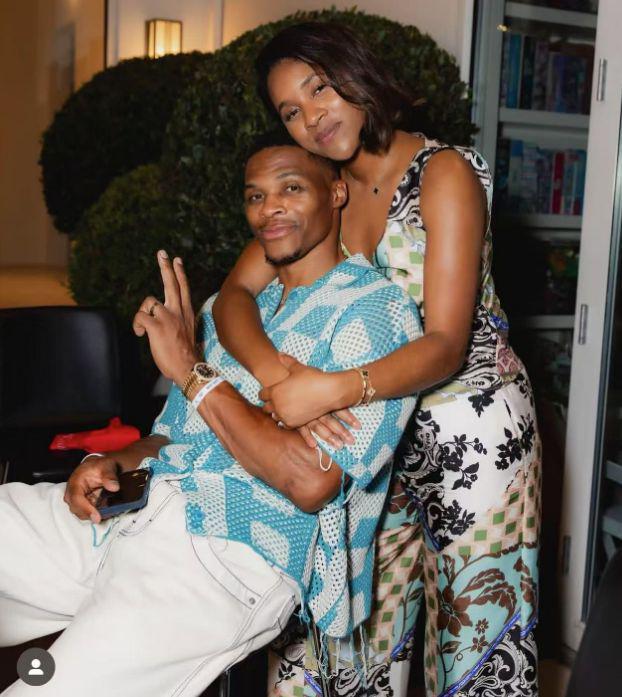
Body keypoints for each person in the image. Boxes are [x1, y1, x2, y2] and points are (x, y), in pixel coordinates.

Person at [0, 134, 422, 696]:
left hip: (226, 557)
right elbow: (171, 437)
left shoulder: (375, 312)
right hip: (127, 517)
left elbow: (309, 480)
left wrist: (193, 373)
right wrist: (110, 462)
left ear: (336, 193)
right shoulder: (231, 310)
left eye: (291, 189)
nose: (269, 208)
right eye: (255, 196)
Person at [211, 22, 541, 697]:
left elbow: (445, 343)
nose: (311, 118)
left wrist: (329, 389)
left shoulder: (442, 173)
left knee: (476, 663)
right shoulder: (321, 188)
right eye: (290, 111)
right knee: (332, 656)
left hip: (472, 438)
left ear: (356, 73)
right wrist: (278, 377)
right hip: (365, 450)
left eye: (319, 89)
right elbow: (233, 296)